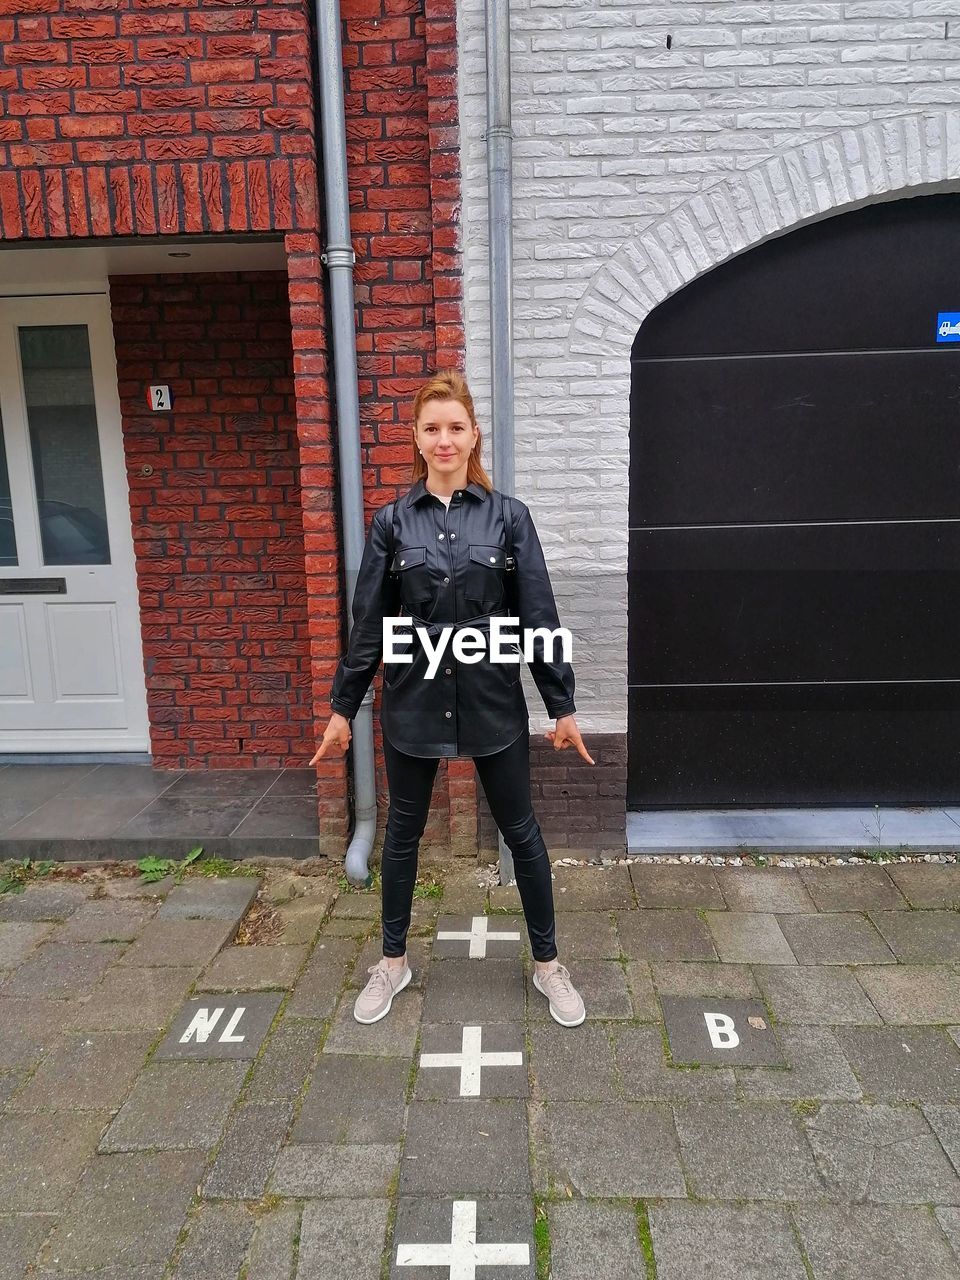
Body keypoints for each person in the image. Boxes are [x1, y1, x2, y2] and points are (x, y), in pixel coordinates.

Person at [310, 369, 594, 1028]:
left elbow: (538, 616)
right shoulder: (390, 524)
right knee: (403, 836)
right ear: (416, 437)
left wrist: (562, 705)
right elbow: (368, 626)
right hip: (411, 706)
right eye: (432, 428)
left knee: (522, 834)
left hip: (493, 705)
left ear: (473, 437)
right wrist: (342, 709)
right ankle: (392, 962)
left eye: (456, 427)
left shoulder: (509, 519)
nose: (445, 439)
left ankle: (549, 965)